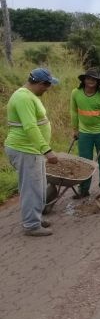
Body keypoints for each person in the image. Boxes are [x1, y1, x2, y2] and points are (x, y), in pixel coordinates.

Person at [4, 68, 59, 236]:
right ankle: (31, 225)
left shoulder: (29, 95)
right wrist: (47, 150)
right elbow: (30, 127)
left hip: (32, 150)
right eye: (47, 86)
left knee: (39, 187)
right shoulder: (23, 98)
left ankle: (35, 217)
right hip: (24, 149)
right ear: (41, 83)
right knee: (31, 188)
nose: (48, 89)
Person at [70, 68, 100, 198]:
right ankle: (83, 189)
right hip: (84, 134)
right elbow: (73, 112)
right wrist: (75, 129)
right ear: (84, 80)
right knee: (85, 162)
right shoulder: (76, 93)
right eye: (88, 78)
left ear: (98, 82)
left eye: (94, 79)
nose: (91, 81)